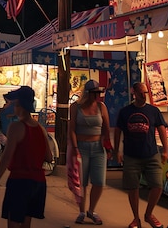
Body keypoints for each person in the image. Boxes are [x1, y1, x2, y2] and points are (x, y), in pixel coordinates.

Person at [0, 86, 52, 228]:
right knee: (26, 222)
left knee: (13, 222)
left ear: (19, 105)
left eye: (13, 103)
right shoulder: (40, 128)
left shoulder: (16, 127)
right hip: (38, 183)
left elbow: (6, 156)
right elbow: (48, 157)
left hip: (20, 181)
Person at [114, 82, 168, 228]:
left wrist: (165, 150)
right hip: (131, 155)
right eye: (141, 93)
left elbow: (161, 129)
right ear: (134, 93)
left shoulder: (153, 111)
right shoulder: (125, 112)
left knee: (157, 185)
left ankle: (148, 214)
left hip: (151, 153)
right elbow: (118, 131)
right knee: (133, 187)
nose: (144, 96)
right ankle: (136, 218)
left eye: (145, 93)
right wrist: (116, 151)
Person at [69, 79, 112, 225]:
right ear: (87, 94)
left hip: (98, 148)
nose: (97, 96)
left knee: (99, 181)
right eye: (94, 93)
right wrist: (75, 148)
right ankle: (81, 211)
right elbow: (72, 129)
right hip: (81, 146)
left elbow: (106, 128)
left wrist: (109, 146)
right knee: (82, 182)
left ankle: (91, 210)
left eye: (98, 93)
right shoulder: (76, 107)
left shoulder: (101, 106)